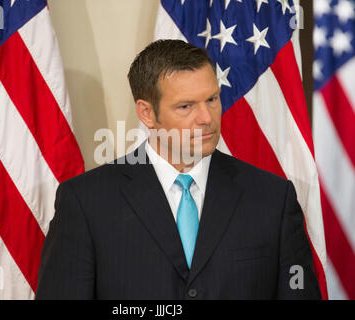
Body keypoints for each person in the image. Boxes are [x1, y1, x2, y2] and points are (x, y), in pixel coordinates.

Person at [35, 40, 321, 299]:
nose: (206, 118)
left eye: (212, 99)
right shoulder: (87, 201)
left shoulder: (273, 197)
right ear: (147, 113)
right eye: (186, 106)